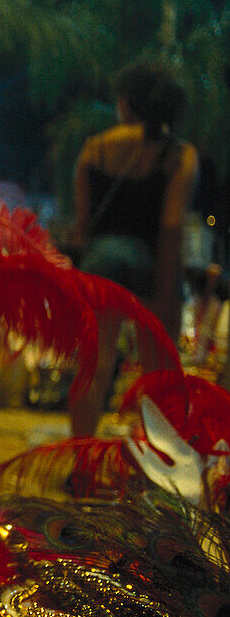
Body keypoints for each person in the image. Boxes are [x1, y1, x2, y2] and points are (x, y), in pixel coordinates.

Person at [70, 60, 198, 437]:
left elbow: (81, 227)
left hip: (99, 264)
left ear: (126, 102)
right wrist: (165, 295)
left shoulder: (93, 150)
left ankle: (80, 460)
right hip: (148, 264)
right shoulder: (179, 156)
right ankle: (156, 460)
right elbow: (171, 228)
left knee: (95, 363)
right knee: (158, 369)